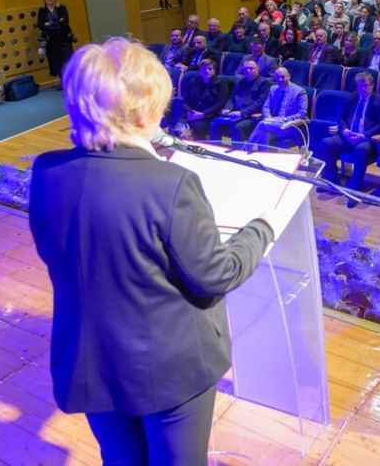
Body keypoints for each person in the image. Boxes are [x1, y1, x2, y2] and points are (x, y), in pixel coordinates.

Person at [29, 39, 279, 464]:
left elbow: (64, 248)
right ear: (144, 114)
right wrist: (261, 229)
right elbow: (214, 274)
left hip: (91, 362)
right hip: (169, 369)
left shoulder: (47, 172)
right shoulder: (171, 184)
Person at [321, 71, 380, 189]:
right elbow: (340, 118)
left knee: (361, 149)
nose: (362, 89)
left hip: (366, 140)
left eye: (365, 86)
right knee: (326, 143)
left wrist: (363, 136)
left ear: (372, 86)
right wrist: (345, 130)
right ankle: (331, 181)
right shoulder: (351, 98)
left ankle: (355, 187)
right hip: (348, 136)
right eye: (359, 86)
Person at [209, 57, 271, 143]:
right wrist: (228, 108)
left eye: (251, 68)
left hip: (250, 116)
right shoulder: (240, 82)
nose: (248, 71)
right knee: (215, 124)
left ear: (258, 69)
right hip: (234, 113)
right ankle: (216, 150)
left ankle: (237, 152)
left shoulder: (264, 83)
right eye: (246, 69)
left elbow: (260, 103)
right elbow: (232, 98)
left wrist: (242, 113)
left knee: (237, 128)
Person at [247, 67, 308, 148]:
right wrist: (269, 118)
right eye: (277, 77)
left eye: (283, 77)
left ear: (289, 76)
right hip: (273, 123)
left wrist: (285, 119)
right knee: (264, 135)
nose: (280, 79)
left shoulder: (299, 92)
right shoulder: (273, 89)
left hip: (288, 125)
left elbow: (302, 113)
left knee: (262, 124)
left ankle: (245, 149)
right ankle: (262, 159)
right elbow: (266, 107)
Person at [173, 58, 228, 138]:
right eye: (204, 69)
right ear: (200, 70)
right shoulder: (194, 81)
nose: (207, 71)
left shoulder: (221, 83)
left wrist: (203, 114)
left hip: (209, 115)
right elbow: (185, 99)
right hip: (192, 114)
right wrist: (189, 112)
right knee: (178, 124)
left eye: (210, 69)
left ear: (214, 70)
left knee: (198, 126)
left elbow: (220, 103)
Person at [37, 0, 76, 82]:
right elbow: (40, 25)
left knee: (67, 58)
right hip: (50, 40)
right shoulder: (42, 11)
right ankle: (63, 80)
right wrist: (57, 22)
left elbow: (65, 22)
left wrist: (49, 24)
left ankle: (72, 79)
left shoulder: (62, 8)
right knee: (55, 61)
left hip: (63, 38)